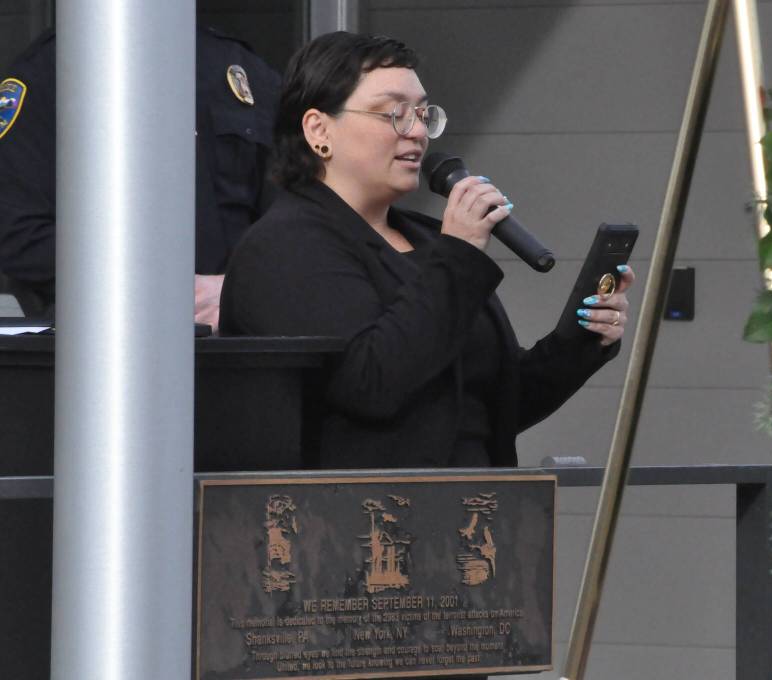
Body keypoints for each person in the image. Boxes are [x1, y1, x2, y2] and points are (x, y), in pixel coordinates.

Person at [220, 31, 633, 472]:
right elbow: (370, 384)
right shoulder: (286, 245)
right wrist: (459, 254)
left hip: (474, 517)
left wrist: (579, 340)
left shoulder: (432, 240)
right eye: (394, 113)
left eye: (422, 113)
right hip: (361, 526)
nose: (417, 131)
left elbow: (491, 408)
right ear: (319, 130)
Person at [0, 26, 280, 329]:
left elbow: (296, 224)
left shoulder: (240, 68)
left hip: (240, 346)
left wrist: (237, 289)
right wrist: (149, 285)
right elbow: (17, 233)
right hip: (102, 342)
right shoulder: (48, 71)